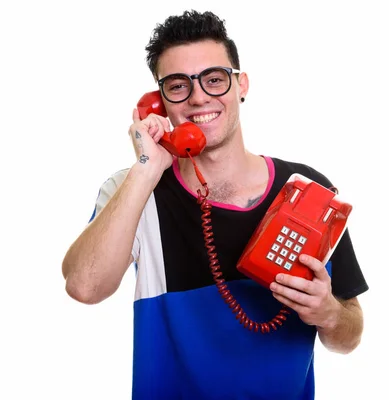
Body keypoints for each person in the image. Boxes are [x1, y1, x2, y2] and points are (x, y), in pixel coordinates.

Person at [62, 9, 369, 400]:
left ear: (241, 85)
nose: (198, 97)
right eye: (177, 86)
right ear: (158, 103)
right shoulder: (134, 188)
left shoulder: (307, 189)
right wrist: (145, 169)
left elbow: (350, 335)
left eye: (214, 79)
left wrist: (327, 313)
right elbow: (85, 286)